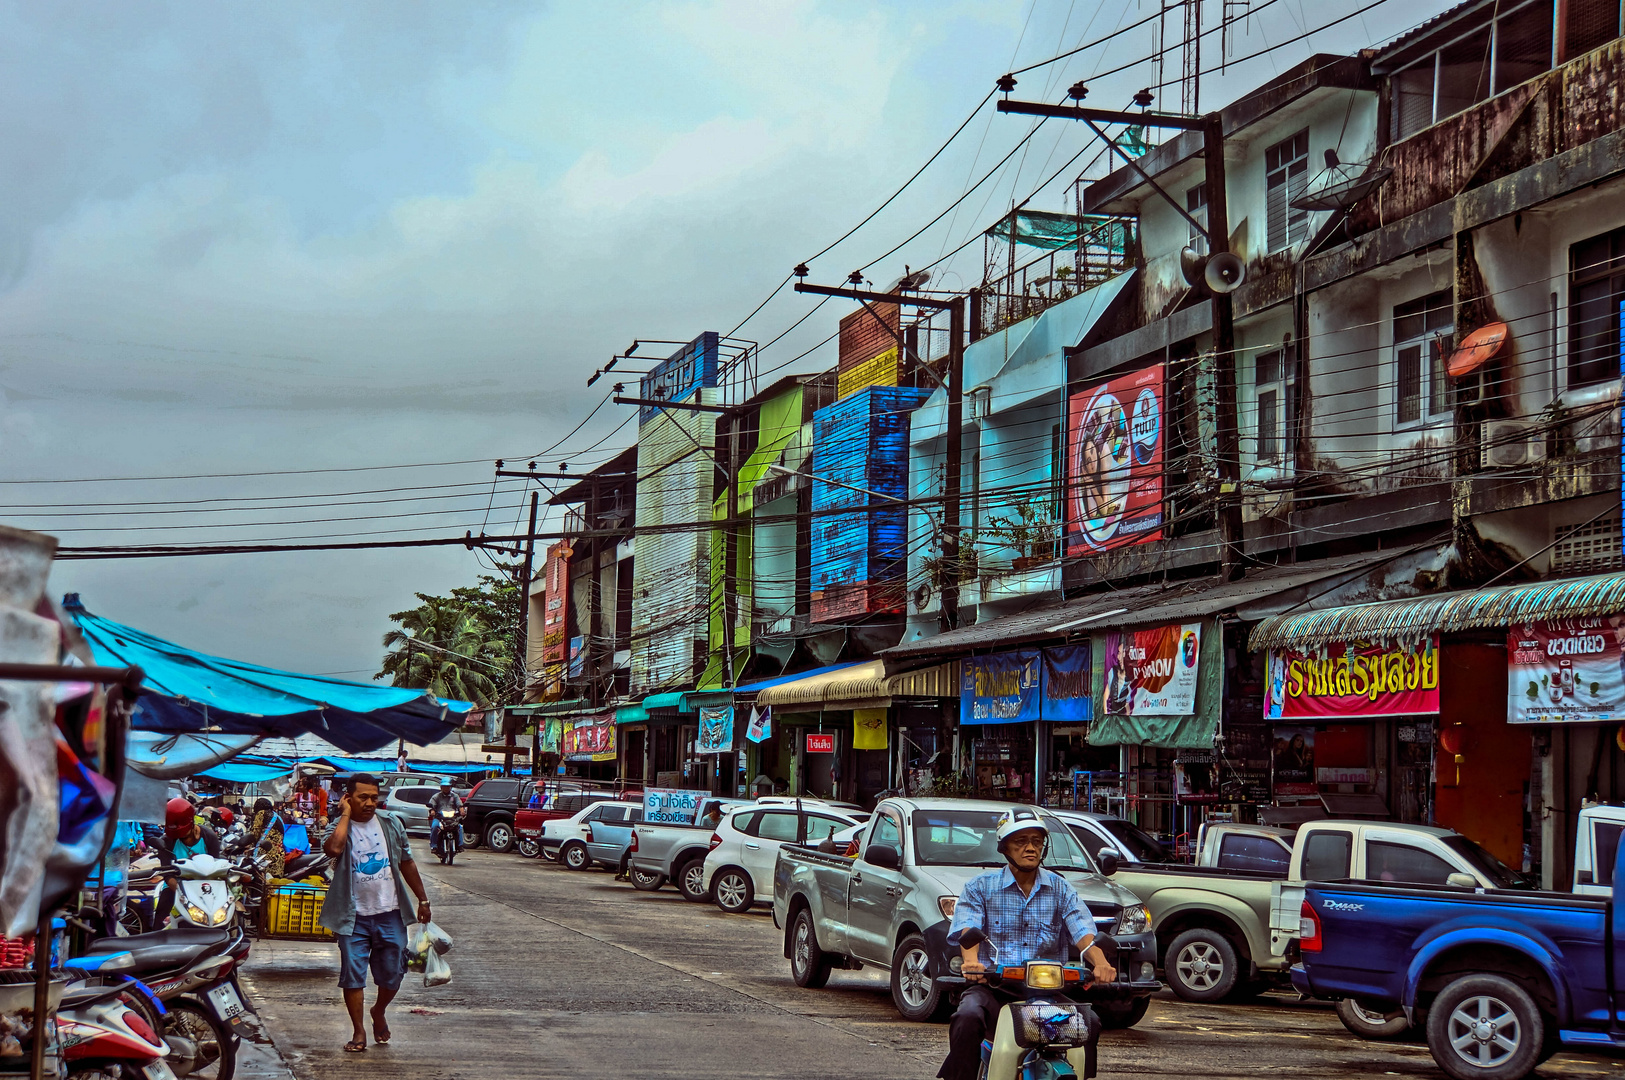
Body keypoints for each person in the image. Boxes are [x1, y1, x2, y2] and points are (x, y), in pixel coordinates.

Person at [939, 807, 1116, 1080]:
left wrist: (1101, 963)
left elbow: (1082, 931)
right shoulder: (980, 887)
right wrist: (971, 961)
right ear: (1004, 847)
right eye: (1021, 842)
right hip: (994, 989)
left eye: (1037, 841)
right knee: (967, 1019)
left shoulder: (1061, 888)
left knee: (1088, 1023)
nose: (1030, 848)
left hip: (1045, 992)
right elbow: (968, 929)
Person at [319, 773, 433, 1054]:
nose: (370, 803)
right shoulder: (337, 827)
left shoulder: (391, 823)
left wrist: (423, 899)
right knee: (353, 975)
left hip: (390, 912)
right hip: (352, 917)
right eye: (363, 797)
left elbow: (406, 862)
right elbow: (333, 848)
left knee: (394, 973)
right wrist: (345, 815)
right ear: (348, 798)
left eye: (374, 797)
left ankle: (378, 1011)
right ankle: (358, 1031)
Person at [155, 798, 221, 925]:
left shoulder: (209, 837)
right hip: (176, 887)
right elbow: (167, 875)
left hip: (204, 886)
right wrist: (184, 894)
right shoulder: (167, 841)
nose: (179, 837)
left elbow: (216, 866)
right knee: (160, 922)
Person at [427, 780, 464, 855]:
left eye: (448, 786)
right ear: (441, 787)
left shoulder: (455, 796)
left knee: (460, 827)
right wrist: (432, 811)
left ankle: (460, 845)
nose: (446, 788)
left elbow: (460, 805)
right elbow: (432, 806)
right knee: (434, 827)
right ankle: (434, 846)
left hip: (452, 818)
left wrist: (462, 810)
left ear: (450, 787)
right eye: (444, 787)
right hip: (439, 818)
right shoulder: (436, 796)